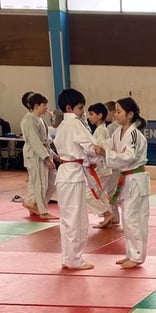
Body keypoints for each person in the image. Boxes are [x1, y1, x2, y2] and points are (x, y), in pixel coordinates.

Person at [94, 97, 149, 268]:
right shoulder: (118, 132)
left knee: (133, 218)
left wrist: (106, 153)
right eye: (115, 111)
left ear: (130, 114)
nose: (115, 115)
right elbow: (107, 146)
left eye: (119, 111)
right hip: (126, 178)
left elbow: (129, 157)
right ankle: (130, 254)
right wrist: (95, 148)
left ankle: (137, 256)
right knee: (127, 218)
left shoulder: (134, 134)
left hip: (136, 179)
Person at [53, 87, 97, 271]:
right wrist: (97, 157)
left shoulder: (62, 125)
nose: (82, 112)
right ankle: (75, 259)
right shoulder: (75, 123)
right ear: (69, 108)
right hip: (73, 174)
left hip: (64, 173)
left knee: (66, 219)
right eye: (80, 108)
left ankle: (68, 257)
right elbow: (91, 146)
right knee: (77, 219)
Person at [20, 92, 56, 220]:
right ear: (36, 106)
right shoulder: (28, 120)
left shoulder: (39, 118)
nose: (46, 108)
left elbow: (45, 141)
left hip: (43, 152)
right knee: (40, 184)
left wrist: (54, 155)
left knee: (51, 183)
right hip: (35, 156)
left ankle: (32, 203)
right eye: (44, 105)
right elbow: (35, 141)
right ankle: (42, 211)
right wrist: (46, 158)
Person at [86, 102, 118, 229]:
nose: (89, 117)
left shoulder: (102, 131)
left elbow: (99, 150)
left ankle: (107, 214)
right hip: (102, 168)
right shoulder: (100, 130)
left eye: (92, 114)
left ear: (99, 115)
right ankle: (108, 217)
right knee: (101, 194)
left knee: (89, 194)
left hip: (101, 168)